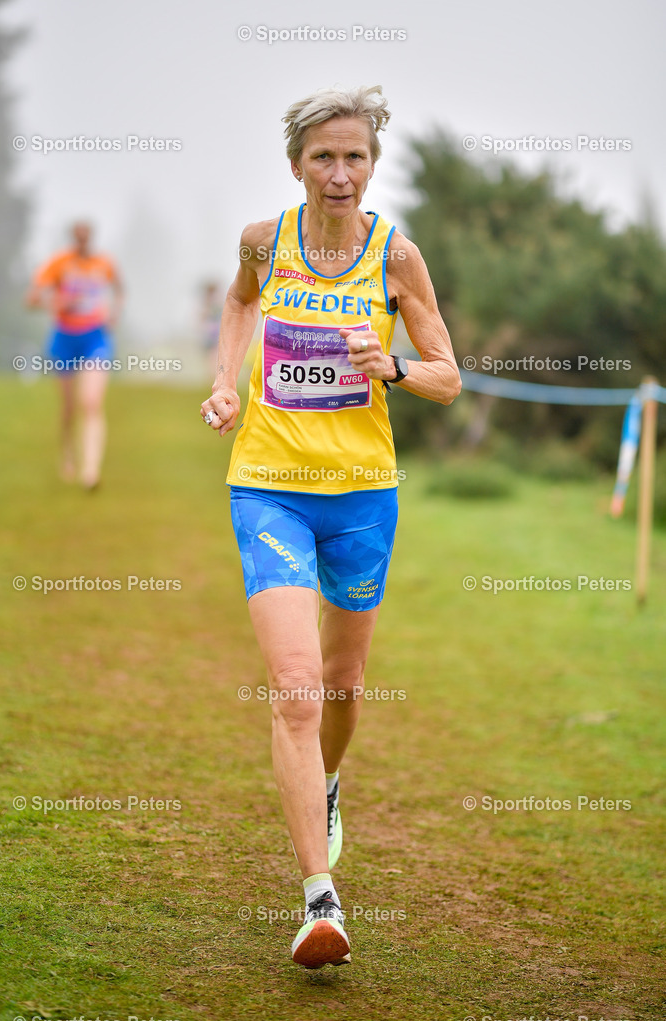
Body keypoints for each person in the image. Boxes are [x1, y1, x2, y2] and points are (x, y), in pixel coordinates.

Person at [200, 85, 461, 970]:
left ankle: (330, 783)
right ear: (296, 166)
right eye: (323, 158)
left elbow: (446, 377)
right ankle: (320, 901)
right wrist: (227, 381)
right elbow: (239, 304)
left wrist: (388, 364)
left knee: (346, 682)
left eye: (354, 157)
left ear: (371, 166)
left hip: (360, 497)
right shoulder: (262, 242)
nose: (339, 174)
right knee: (298, 687)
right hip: (267, 488)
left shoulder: (397, 258)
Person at [26, 221, 123, 488]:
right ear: (73, 238)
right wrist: (56, 303)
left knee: (91, 402)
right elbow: (31, 299)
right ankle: (68, 451)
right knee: (69, 408)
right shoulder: (58, 263)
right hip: (65, 339)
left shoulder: (104, 263)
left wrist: (114, 313)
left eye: (86, 237)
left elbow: (119, 288)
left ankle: (90, 471)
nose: (82, 242)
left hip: (95, 338)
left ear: (91, 238)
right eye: (78, 238)